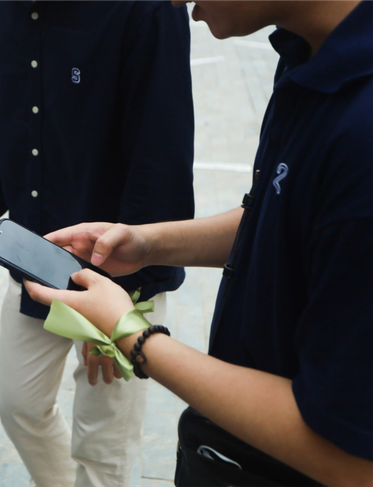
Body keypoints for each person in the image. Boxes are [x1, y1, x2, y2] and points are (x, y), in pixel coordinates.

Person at [23, 0, 373, 485]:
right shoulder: (308, 54)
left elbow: (352, 458)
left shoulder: (362, 129)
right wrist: (149, 244)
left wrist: (133, 335)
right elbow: (282, 219)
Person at [0, 1, 195, 485]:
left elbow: (161, 157)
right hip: (34, 249)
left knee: (103, 442)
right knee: (16, 402)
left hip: (126, 272)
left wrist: (123, 302)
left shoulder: (148, 10)